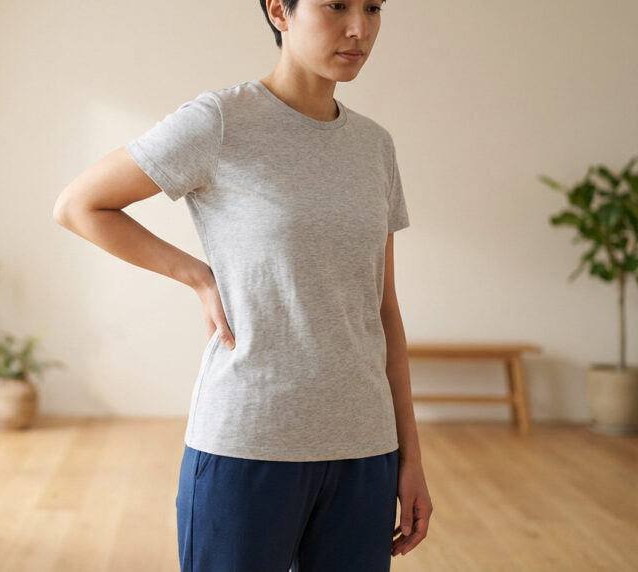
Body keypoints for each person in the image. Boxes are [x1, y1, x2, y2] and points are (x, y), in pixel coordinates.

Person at [53, 0, 432, 569]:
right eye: (337, 6)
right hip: (250, 443)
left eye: (373, 7)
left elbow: (383, 311)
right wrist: (198, 276)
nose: (360, 28)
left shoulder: (375, 146)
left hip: (364, 451)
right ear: (280, 10)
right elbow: (80, 205)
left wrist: (409, 456)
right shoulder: (221, 121)